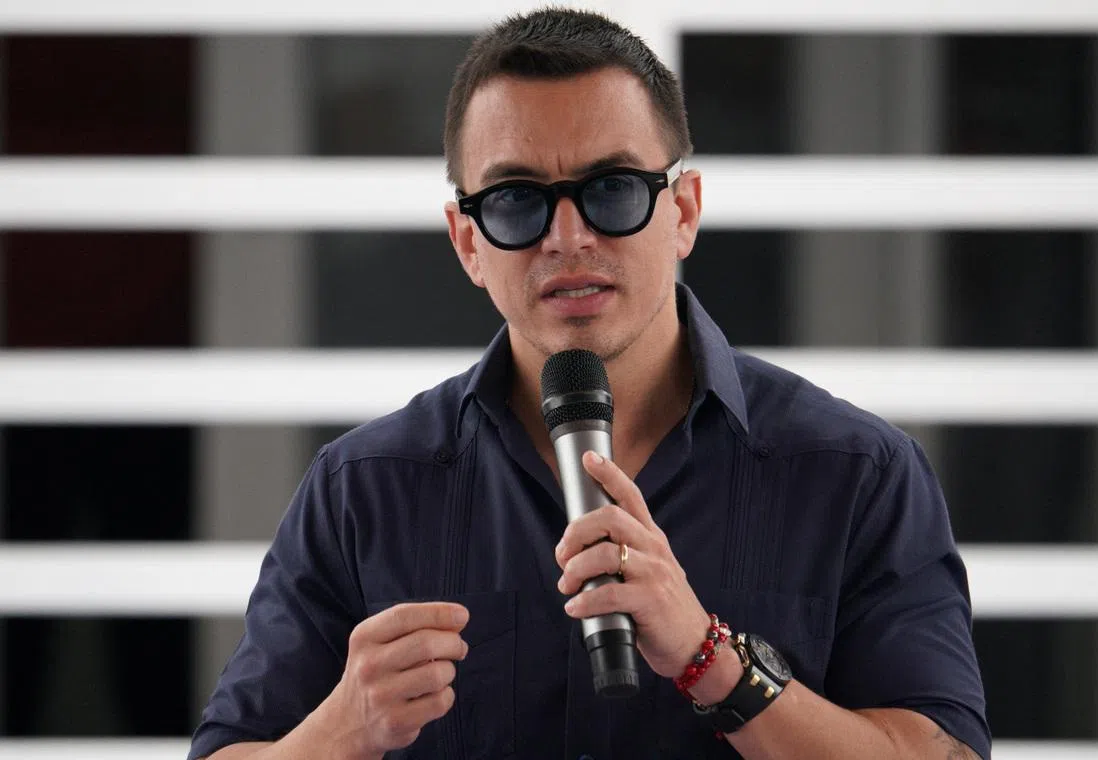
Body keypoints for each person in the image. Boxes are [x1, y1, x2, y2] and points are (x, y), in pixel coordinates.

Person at [189, 8, 990, 760]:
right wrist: (340, 729)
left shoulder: (855, 472)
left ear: (683, 211)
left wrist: (712, 659)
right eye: (515, 200)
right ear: (467, 242)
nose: (567, 239)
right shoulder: (364, 488)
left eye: (611, 189)